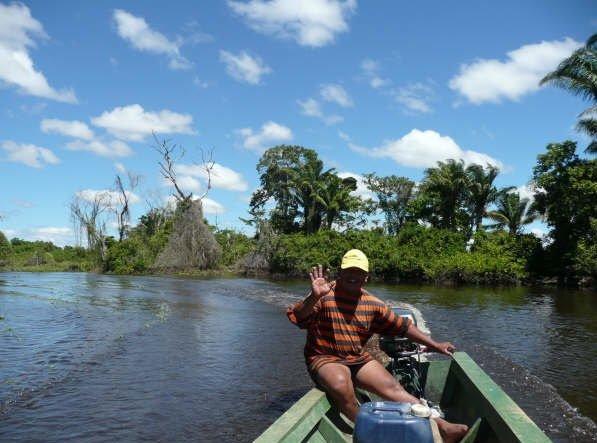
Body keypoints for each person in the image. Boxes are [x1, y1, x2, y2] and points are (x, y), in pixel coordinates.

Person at [287, 249, 469, 443]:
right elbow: (297, 318)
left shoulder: (372, 304)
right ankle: (371, 433)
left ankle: (441, 426)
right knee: (341, 384)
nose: (353, 276)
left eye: (358, 272)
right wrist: (313, 296)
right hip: (324, 358)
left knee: (394, 388)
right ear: (340, 272)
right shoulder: (323, 294)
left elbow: (403, 326)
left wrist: (436, 345)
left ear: (366, 277)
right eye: (349, 271)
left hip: (356, 357)